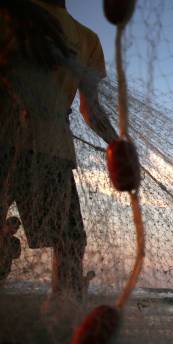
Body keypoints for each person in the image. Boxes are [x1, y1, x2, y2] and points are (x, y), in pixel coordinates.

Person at [0, 0, 118, 302]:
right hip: (5, 139)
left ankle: (60, 323)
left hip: (53, 151)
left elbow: (89, 107)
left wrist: (115, 143)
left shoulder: (87, 38)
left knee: (70, 241)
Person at [0, 216, 21, 283]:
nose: (15, 230)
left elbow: (16, 255)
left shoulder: (15, 241)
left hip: (4, 270)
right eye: (15, 227)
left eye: (16, 228)